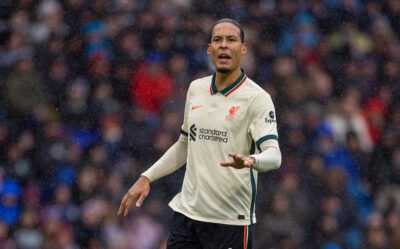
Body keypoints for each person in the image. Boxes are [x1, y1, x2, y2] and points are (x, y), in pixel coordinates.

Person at [118, 18, 282, 249]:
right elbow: (185, 143)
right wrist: (147, 176)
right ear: (209, 49)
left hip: (230, 220)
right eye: (217, 40)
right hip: (187, 215)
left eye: (231, 40)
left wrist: (251, 160)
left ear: (243, 49)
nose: (224, 45)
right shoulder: (196, 89)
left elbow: (274, 156)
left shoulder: (258, 98)